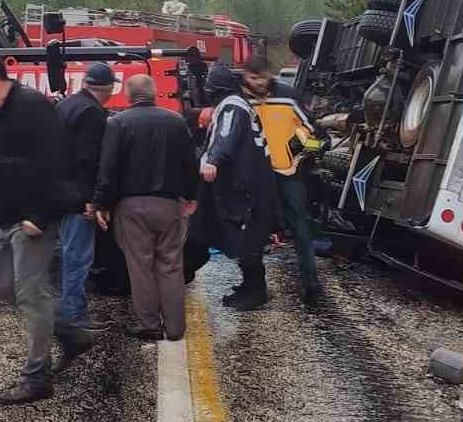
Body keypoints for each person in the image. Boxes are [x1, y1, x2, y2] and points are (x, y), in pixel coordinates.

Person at [0, 50, 95, 405]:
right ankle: (70, 334)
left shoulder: (32, 107)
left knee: (31, 295)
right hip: (5, 218)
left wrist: (39, 215)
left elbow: (56, 164)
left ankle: (37, 377)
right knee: (7, 290)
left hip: (31, 221)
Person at [93, 74, 200, 341]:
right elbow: (190, 162)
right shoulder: (175, 121)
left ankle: (149, 324)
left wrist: (102, 204)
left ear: (128, 96)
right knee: (171, 265)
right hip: (168, 204)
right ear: (154, 94)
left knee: (140, 266)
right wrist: (191, 196)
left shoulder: (117, 123)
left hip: (130, 206)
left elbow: (108, 169)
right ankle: (176, 328)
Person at [241, 52, 325, 307]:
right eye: (253, 78)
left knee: (300, 228)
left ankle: (312, 286)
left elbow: (314, 131)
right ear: (246, 76)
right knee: (253, 231)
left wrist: (298, 157)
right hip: (255, 177)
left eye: (262, 78)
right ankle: (253, 289)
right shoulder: (240, 100)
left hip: (289, 174)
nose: (258, 83)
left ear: (269, 75)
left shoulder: (289, 97)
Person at [199, 63, 280, 311]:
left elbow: (226, 136)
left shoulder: (232, 106)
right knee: (247, 236)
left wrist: (213, 160)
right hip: (254, 183)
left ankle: (255, 290)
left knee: (246, 238)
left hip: (247, 186)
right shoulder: (239, 103)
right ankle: (251, 285)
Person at [54, 62, 113, 328]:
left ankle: (66, 309)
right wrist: (92, 200)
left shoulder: (66, 104)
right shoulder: (92, 112)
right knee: (78, 257)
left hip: (60, 192)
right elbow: (87, 161)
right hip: (78, 196)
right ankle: (73, 316)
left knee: (69, 253)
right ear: (109, 87)